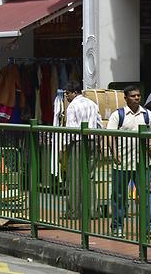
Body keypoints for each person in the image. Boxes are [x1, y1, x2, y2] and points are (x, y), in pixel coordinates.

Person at [106, 85, 151, 239]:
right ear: (126, 98)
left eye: (138, 95)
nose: (137, 98)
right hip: (122, 163)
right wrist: (114, 153)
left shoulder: (147, 115)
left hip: (142, 163)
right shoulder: (118, 115)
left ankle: (150, 226)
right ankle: (117, 226)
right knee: (120, 196)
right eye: (133, 96)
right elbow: (110, 135)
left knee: (146, 195)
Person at [62, 81, 101, 219]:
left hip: (77, 143)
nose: (66, 96)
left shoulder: (72, 106)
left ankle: (73, 212)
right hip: (93, 142)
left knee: (74, 178)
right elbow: (99, 123)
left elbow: (71, 129)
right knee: (89, 177)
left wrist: (65, 146)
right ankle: (92, 211)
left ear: (75, 92)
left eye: (67, 93)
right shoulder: (92, 104)